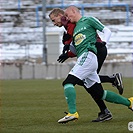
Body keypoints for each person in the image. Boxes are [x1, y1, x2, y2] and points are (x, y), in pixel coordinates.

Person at [52, 6, 133, 124]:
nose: (67, 18)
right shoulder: (74, 30)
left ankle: (73, 113)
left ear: (74, 12)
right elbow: (77, 48)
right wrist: (67, 53)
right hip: (85, 57)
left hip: (89, 55)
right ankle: (130, 102)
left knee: (68, 82)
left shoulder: (88, 20)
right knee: (99, 93)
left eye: (68, 15)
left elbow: (107, 31)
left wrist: (104, 42)